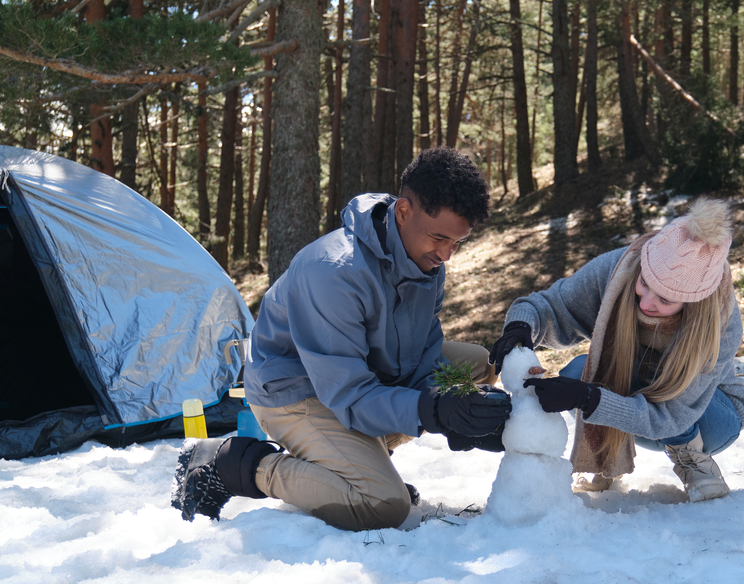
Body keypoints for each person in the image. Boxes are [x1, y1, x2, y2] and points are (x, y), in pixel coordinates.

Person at [172, 147, 511, 531]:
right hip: (296, 390)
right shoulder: (334, 271)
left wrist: (457, 411)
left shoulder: (426, 261)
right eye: (439, 238)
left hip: (362, 374)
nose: (447, 255)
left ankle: (358, 459)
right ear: (403, 212)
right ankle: (237, 464)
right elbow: (349, 394)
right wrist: (432, 410)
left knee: (477, 365)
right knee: (382, 505)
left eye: (457, 243)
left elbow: (422, 355)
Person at [487, 197, 744, 501]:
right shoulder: (620, 269)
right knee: (578, 372)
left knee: (609, 384)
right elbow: (550, 306)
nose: (646, 302)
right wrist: (520, 327)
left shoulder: (720, 321)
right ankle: (606, 456)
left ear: (694, 302)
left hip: (709, 418)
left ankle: (694, 462)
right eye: (645, 283)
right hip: (643, 405)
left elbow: (671, 417)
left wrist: (589, 399)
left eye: (665, 299)